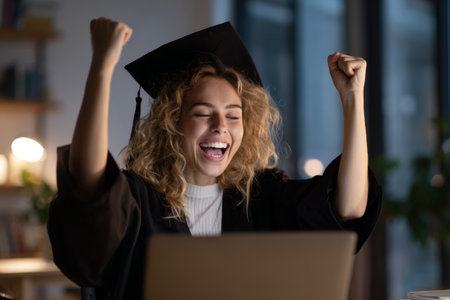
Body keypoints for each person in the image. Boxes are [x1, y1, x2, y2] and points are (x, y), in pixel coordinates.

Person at [47, 17, 382, 300]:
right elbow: (88, 187)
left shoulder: (260, 196)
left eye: (233, 116)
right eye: (203, 113)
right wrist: (101, 68)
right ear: (172, 122)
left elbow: (349, 207)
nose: (221, 126)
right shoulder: (138, 200)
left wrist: (353, 98)